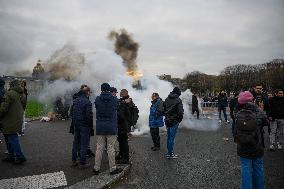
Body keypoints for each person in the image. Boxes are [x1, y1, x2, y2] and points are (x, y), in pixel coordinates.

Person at [234, 91, 268, 189]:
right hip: (257, 145)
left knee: (246, 169)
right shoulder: (257, 111)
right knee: (258, 169)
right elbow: (266, 122)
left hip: (243, 145)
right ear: (252, 100)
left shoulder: (237, 112)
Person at [93, 83, 122, 175]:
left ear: (101, 89)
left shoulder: (97, 99)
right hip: (111, 126)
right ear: (109, 89)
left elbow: (97, 106)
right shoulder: (114, 99)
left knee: (99, 147)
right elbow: (117, 107)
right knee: (110, 148)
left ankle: (96, 168)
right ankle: (112, 168)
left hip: (100, 126)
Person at [0, 80, 27, 164]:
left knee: (12, 137)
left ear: (11, 85)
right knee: (9, 137)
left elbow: (4, 108)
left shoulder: (9, 93)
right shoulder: (22, 94)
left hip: (9, 119)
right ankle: (11, 156)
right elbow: (24, 106)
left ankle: (20, 156)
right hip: (18, 118)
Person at [70, 85, 95, 158]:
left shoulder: (76, 100)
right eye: (89, 92)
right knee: (84, 143)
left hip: (76, 124)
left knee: (76, 143)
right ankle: (82, 162)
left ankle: (74, 160)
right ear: (86, 92)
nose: (90, 93)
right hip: (84, 125)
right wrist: (90, 126)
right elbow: (89, 116)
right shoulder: (87, 102)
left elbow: (72, 113)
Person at [163, 87, 184, 159]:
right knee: (172, 137)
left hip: (167, 120)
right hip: (174, 121)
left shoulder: (166, 99)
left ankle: (169, 152)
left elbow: (163, 110)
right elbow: (180, 112)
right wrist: (179, 120)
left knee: (169, 137)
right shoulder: (178, 100)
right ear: (178, 93)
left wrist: (166, 117)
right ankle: (170, 153)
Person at [116, 89, 132, 164]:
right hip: (122, 125)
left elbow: (122, 115)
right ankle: (121, 154)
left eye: (121, 93)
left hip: (123, 125)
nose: (120, 94)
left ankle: (125, 158)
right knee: (120, 140)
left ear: (124, 94)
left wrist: (117, 112)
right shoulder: (123, 101)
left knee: (123, 142)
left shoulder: (126, 102)